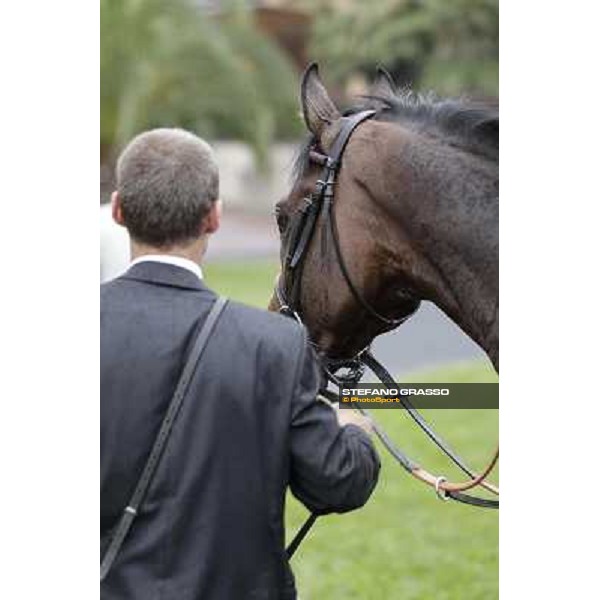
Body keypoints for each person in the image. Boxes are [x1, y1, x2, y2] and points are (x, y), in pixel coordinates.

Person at [101, 128, 380, 600]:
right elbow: (336, 483)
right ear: (214, 217)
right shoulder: (274, 345)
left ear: (118, 210)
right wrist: (353, 431)